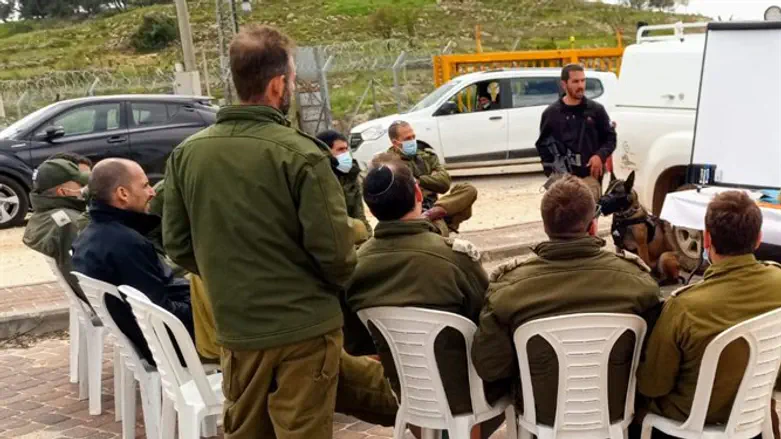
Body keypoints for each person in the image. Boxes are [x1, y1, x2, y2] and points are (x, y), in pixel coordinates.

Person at [163, 25, 356, 439]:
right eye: (291, 79)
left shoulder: (187, 155)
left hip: (237, 327)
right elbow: (336, 254)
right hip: (304, 327)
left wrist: (231, 276)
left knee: (246, 429)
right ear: (277, 85)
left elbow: (177, 243)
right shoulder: (302, 154)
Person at [471, 174, 661, 427]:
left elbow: (489, 367)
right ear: (592, 225)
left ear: (545, 225)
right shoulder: (638, 283)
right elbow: (653, 365)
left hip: (542, 415)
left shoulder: (509, 289)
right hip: (615, 410)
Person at [345, 154, 506, 438]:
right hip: (469, 396)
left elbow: (357, 344)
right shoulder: (454, 259)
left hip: (409, 395)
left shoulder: (354, 268)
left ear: (369, 208)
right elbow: (488, 323)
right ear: (418, 194)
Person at [635, 191, 781, 436]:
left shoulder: (685, 306)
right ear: (758, 239)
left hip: (689, 420)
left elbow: (653, 385)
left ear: (707, 240)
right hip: (753, 412)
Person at [72, 158, 193, 364]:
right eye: (145, 186)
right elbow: (160, 312)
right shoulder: (126, 243)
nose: (152, 192)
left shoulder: (89, 236)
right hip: (172, 346)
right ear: (123, 193)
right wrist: (202, 306)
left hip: (148, 339)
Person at [535, 64, 616, 200]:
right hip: (563, 181)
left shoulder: (596, 110)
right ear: (564, 84)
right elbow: (542, 145)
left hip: (589, 178)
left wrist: (599, 156)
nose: (580, 85)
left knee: (589, 212)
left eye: (583, 81)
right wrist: (553, 172)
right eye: (575, 81)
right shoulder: (551, 114)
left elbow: (610, 139)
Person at [386, 120, 477, 236]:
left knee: (468, 189)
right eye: (407, 139)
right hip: (411, 214)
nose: (413, 141)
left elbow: (444, 183)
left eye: (413, 137)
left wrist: (419, 181)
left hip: (434, 207)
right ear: (395, 143)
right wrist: (431, 179)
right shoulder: (389, 164)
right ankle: (434, 222)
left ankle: (432, 215)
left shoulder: (426, 156)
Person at [23, 158, 90, 302]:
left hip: (89, 300)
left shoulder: (43, 216)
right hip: (103, 301)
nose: (86, 187)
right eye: (81, 184)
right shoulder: (70, 222)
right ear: (63, 192)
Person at [316, 129, 372, 245]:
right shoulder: (318, 180)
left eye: (346, 149)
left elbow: (359, 214)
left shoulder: (351, 176)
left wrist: (369, 240)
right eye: (340, 150)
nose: (346, 154)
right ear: (325, 152)